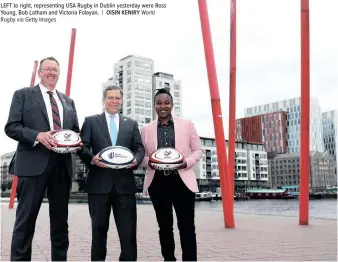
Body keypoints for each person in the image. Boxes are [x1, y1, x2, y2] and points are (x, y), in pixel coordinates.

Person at [4, 56, 81, 261]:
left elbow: (74, 130)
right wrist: (37, 136)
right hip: (32, 166)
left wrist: (76, 141)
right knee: (25, 222)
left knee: (60, 224)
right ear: (40, 72)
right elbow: (11, 127)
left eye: (55, 70)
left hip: (62, 168)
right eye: (48, 69)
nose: (52, 73)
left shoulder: (68, 101)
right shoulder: (23, 95)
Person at [78, 85, 145, 261]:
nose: (114, 101)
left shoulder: (131, 124)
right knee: (98, 232)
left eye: (117, 98)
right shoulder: (91, 121)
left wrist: (136, 160)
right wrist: (91, 158)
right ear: (103, 100)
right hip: (99, 185)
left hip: (125, 186)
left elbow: (139, 148)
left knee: (128, 233)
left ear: (121, 101)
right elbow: (82, 147)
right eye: (111, 98)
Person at [140, 88, 203, 261]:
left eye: (166, 102)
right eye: (159, 103)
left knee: (187, 226)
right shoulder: (146, 129)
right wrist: (150, 162)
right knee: (165, 227)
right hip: (158, 182)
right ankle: (169, 259)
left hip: (182, 180)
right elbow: (142, 155)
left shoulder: (187, 124)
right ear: (154, 106)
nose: (163, 106)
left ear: (172, 105)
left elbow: (198, 150)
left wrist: (186, 162)